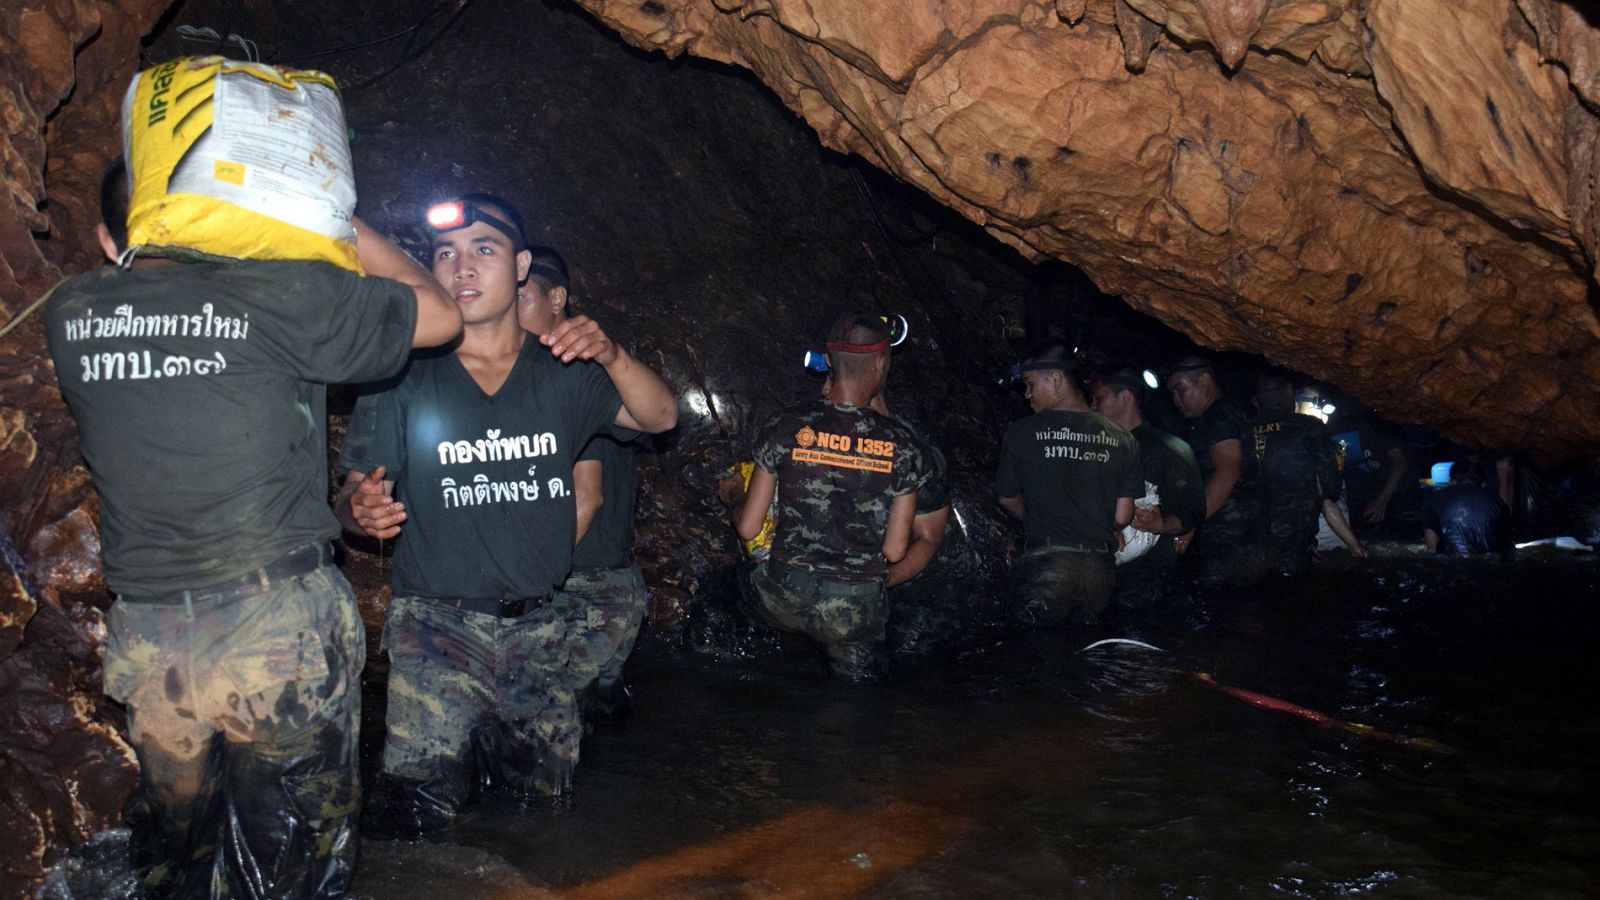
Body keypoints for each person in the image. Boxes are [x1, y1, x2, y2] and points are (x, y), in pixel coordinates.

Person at [46, 156, 461, 897]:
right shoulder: (281, 295)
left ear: (110, 241)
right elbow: (438, 312)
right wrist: (320, 207)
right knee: (288, 868)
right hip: (278, 634)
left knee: (173, 850)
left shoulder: (72, 312)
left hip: (151, 644)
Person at [336, 194, 676, 830]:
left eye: (482, 251)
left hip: (543, 631)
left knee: (541, 814)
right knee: (416, 818)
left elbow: (660, 417)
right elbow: (352, 501)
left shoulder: (565, 372)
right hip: (435, 629)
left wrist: (612, 354)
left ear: (521, 266)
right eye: (445, 254)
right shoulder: (401, 374)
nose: (462, 267)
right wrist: (361, 510)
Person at [734, 313, 923, 681]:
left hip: (785, 594)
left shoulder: (784, 426)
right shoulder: (903, 445)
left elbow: (748, 527)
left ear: (829, 362)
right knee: (858, 694)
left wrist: (732, 499)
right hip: (854, 609)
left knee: (723, 596)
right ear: (882, 363)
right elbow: (896, 551)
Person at [518, 245, 649, 718]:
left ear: (557, 299)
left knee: (542, 716)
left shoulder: (574, 376)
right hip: (599, 582)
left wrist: (525, 581)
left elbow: (586, 498)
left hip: (588, 587)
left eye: (520, 296)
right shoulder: (539, 375)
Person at [996, 343, 1140, 626]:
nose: (1027, 395)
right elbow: (1122, 516)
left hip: (1047, 567)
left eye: (1030, 384)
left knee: (1037, 656)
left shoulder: (1022, 432)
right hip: (1099, 574)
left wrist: (1044, 517)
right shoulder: (1123, 439)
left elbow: (1006, 498)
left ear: (1056, 379)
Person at [871, 392, 981, 656]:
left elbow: (928, 538)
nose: (826, 390)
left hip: (931, 595)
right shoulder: (833, 439)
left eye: (834, 380)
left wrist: (879, 581)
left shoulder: (913, 450)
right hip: (880, 588)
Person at [1090, 367, 1204, 605]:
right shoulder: (1092, 449)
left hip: (1149, 583)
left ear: (1125, 396)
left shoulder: (1169, 449)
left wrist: (1160, 524)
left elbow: (1191, 510)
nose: (1093, 406)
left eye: (1098, 399)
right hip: (1098, 578)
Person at [1246, 371, 1366, 575]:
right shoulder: (1307, 427)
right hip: (1295, 531)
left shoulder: (1244, 429)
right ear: (1288, 392)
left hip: (1251, 529)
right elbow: (1330, 486)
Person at [1165, 355, 1258, 584]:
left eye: (1181, 389)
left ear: (1204, 381)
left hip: (1232, 531)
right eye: (1172, 393)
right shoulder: (1216, 415)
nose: (1176, 399)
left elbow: (1228, 471)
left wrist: (1190, 523)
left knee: (1225, 600)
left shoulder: (1220, 414)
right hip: (1232, 528)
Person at [1421, 459, 1511, 556]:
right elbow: (1506, 537)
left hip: (1454, 561)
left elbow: (1432, 547)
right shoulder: (1496, 500)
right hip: (1493, 561)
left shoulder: (1433, 499)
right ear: (1483, 483)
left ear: (1452, 481)